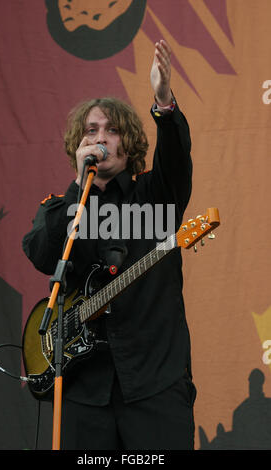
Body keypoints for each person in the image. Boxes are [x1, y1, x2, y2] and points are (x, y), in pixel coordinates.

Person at [22, 39, 195, 450]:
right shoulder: (61, 206)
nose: (101, 138)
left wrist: (164, 100)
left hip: (154, 382)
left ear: (129, 141)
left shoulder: (156, 194)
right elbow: (42, 255)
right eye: (91, 131)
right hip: (84, 388)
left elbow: (177, 159)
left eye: (112, 130)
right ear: (78, 145)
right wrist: (77, 188)